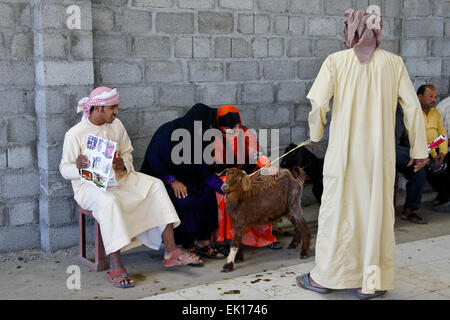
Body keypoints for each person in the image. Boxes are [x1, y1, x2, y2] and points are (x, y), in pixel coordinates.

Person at [296, 9, 429, 300]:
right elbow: (412, 108)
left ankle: (325, 278)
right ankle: (367, 284)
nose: (344, 34)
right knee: (375, 216)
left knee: (337, 213)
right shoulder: (394, 64)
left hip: (343, 156)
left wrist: (316, 133)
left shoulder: (336, 61)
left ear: (353, 31)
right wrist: (420, 149)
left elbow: (318, 103)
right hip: (378, 159)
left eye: (346, 28)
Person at [60, 87, 202, 289]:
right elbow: (64, 170)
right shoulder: (75, 134)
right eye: (113, 107)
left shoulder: (116, 125)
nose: (116, 111)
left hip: (120, 179)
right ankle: (116, 265)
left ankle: (171, 251)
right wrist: (78, 167)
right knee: (109, 201)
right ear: (99, 108)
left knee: (155, 185)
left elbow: (127, 152)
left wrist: (123, 163)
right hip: (89, 186)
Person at [140, 103, 226, 262]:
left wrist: (221, 186)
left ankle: (203, 242)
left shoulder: (199, 138)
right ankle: (188, 245)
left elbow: (203, 169)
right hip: (161, 180)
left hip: (188, 180)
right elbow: (154, 160)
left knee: (207, 194)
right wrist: (172, 180)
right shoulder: (169, 132)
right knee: (184, 199)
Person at [212, 105, 281, 252]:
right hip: (223, 176)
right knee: (225, 195)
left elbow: (256, 154)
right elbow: (214, 165)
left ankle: (264, 237)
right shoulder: (214, 137)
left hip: (246, 173)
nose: (232, 131)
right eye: (228, 128)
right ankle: (224, 241)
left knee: (262, 191)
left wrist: (267, 166)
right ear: (220, 125)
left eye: (235, 127)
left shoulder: (245, 133)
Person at [417, 85, 450, 211]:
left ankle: (443, 197)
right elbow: (415, 138)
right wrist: (433, 152)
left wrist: (442, 152)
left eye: (435, 97)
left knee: (444, 160)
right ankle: (444, 199)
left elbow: (442, 135)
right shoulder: (414, 113)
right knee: (436, 167)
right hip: (420, 150)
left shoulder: (435, 113)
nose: (434, 100)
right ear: (420, 97)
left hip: (435, 148)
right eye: (430, 97)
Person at [395, 106, 429, 224]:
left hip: (398, 152)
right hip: (377, 151)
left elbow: (405, 138)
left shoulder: (399, 111)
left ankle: (409, 210)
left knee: (418, 171)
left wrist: (416, 152)